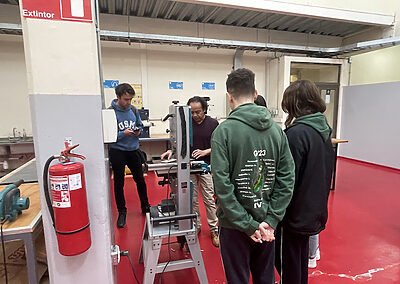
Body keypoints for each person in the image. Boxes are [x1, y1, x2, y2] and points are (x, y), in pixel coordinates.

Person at [211, 68, 295, 283]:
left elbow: (222, 185)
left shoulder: (224, 131)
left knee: (237, 278)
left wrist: (246, 223)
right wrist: (271, 219)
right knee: (265, 278)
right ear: (255, 94)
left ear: (230, 97)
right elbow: (286, 179)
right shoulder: (277, 132)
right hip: (266, 223)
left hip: (233, 224)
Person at [275, 80, 334, 284]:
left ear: (293, 104)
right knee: (298, 263)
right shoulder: (323, 130)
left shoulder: (296, 134)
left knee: (286, 264)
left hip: (293, 215)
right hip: (313, 210)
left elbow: (286, 180)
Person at [161, 96, 220, 247]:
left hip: (206, 166)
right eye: (192, 112)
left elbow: (219, 145)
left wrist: (205, 152)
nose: (195, 115)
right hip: (189, 167)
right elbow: (178, 141)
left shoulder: (213, 124)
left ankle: (214, 229)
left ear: (205, 109)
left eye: (198, 112)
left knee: (208, 198)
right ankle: (196, 225)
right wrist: (170, 151)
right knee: (192, 200)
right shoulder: (185, 124)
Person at [109, 83, 150, 228]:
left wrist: (138, 130)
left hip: (133, 149)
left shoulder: (133, 109)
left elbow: (140, 124)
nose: (128, 102)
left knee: (140, 180)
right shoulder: (110, 112)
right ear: (118, 97)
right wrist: (122, 134)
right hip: (117, 151)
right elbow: (108, 136)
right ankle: (122, 212)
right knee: (119, 183)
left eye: (130, 99)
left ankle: (146, 207)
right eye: (126, 99)